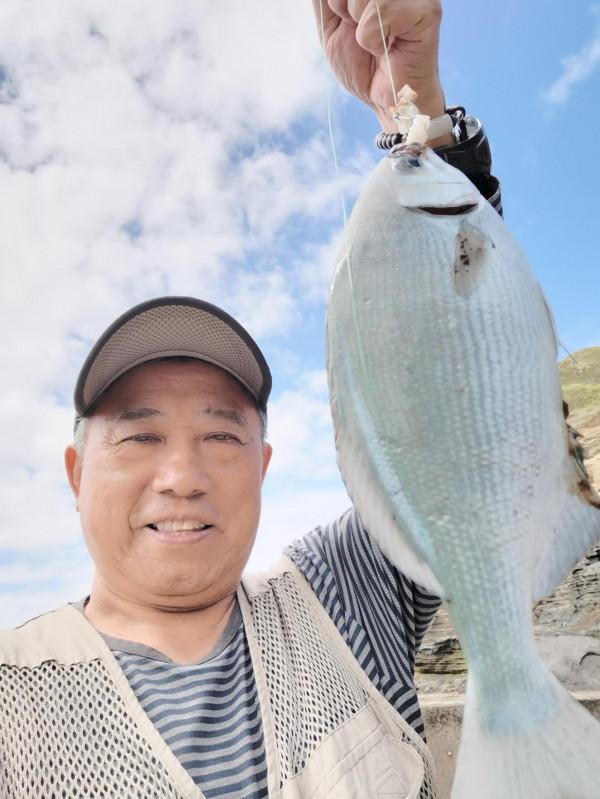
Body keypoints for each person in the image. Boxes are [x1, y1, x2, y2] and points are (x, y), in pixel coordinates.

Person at [0, 2, 502, 797]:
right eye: (138, 436)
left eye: (222, 435)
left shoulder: (346, 592)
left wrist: (419, 116)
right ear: (73, 471)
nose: (182, 474)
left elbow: (459, 405)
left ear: (264, 464)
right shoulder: (11, 699)